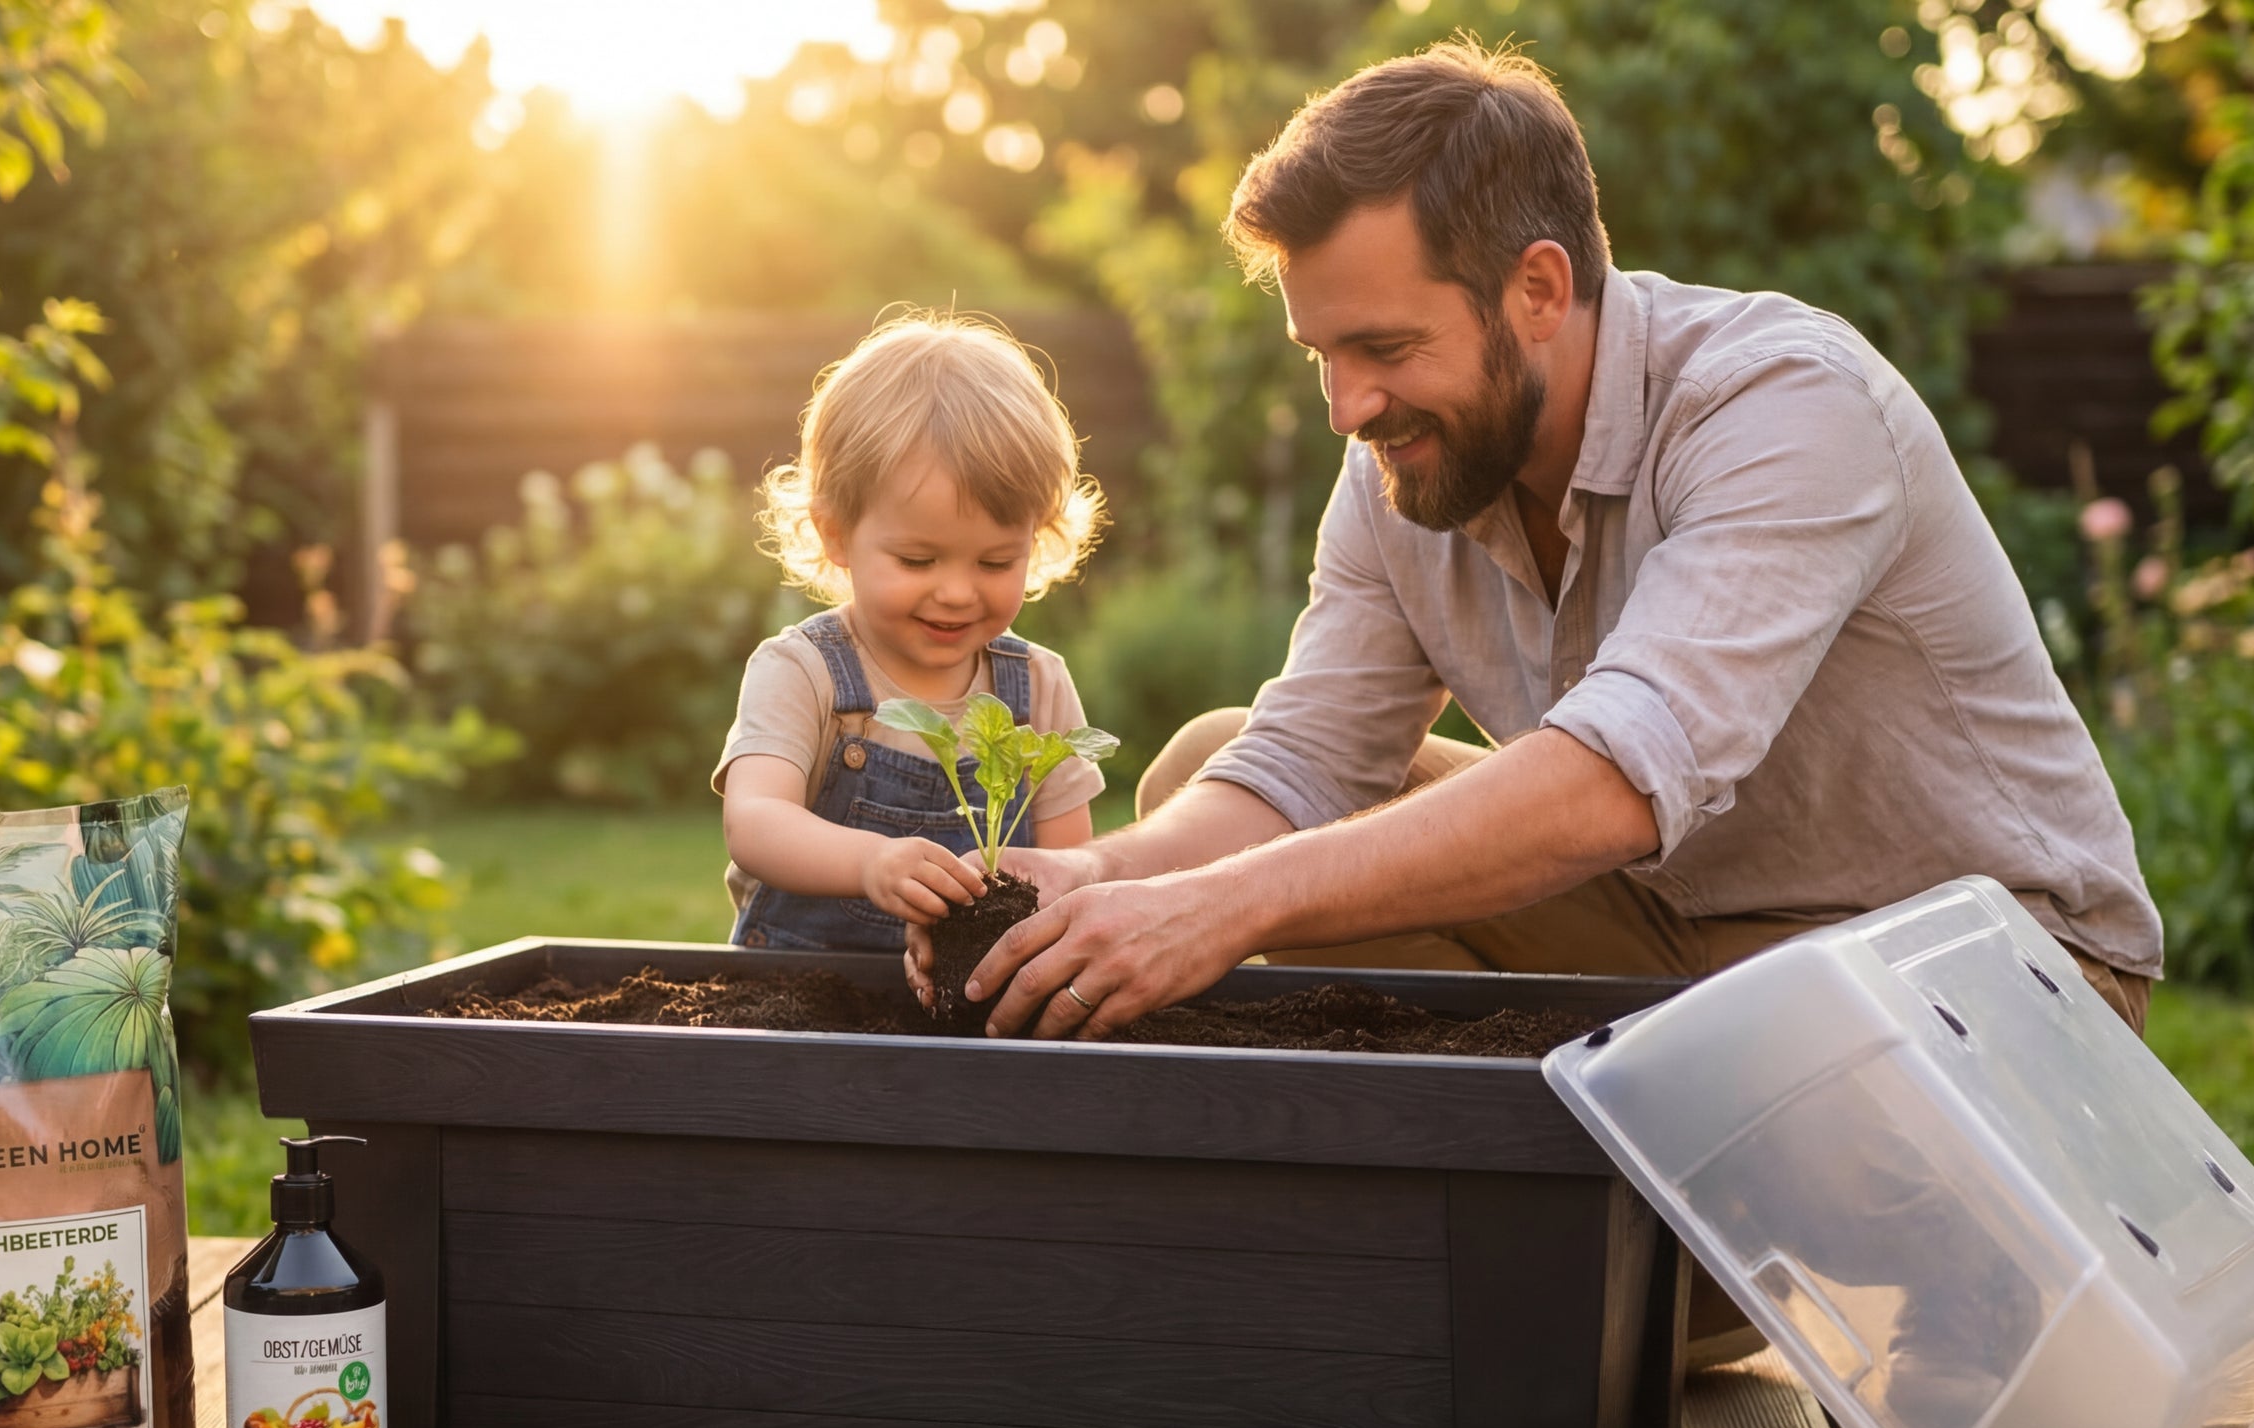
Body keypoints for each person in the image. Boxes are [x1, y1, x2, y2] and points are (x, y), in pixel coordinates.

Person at [930, 42, 2160, 1053]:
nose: (1345, 408)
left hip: (1992, 981)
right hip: (1689, 937)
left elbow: (1608, 783)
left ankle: (1572, 1234)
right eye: (1322, 357)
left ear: (1536, 288)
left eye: (1385, 349)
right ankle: (1538, 1204)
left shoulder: (1782, 404)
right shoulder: (1407, 468)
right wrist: (1108, 882)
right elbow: (1305, 759)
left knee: (1558, 1299)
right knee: (1209, 765)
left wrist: (1222, 906)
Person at [717, 314, 1111, 951]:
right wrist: (870, 862)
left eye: (994, 562)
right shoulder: (803, 671)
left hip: (980, 1006)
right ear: (836, 534)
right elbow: (755, 822)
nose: (956, 591)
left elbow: (1071, 868)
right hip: (802, 1004)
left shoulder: (1039, 686)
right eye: (917, 561)